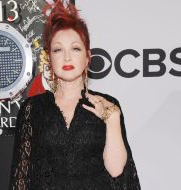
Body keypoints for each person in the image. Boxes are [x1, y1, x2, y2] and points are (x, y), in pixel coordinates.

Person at [9, 0, 141, 189]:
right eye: (58, 50)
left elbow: (116, 171)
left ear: (87, 57)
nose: (67, 57)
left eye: (75, 48)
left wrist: (112, 119)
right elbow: (20, 177)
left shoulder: (108, 104)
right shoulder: (33, 108)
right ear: (49, 58)